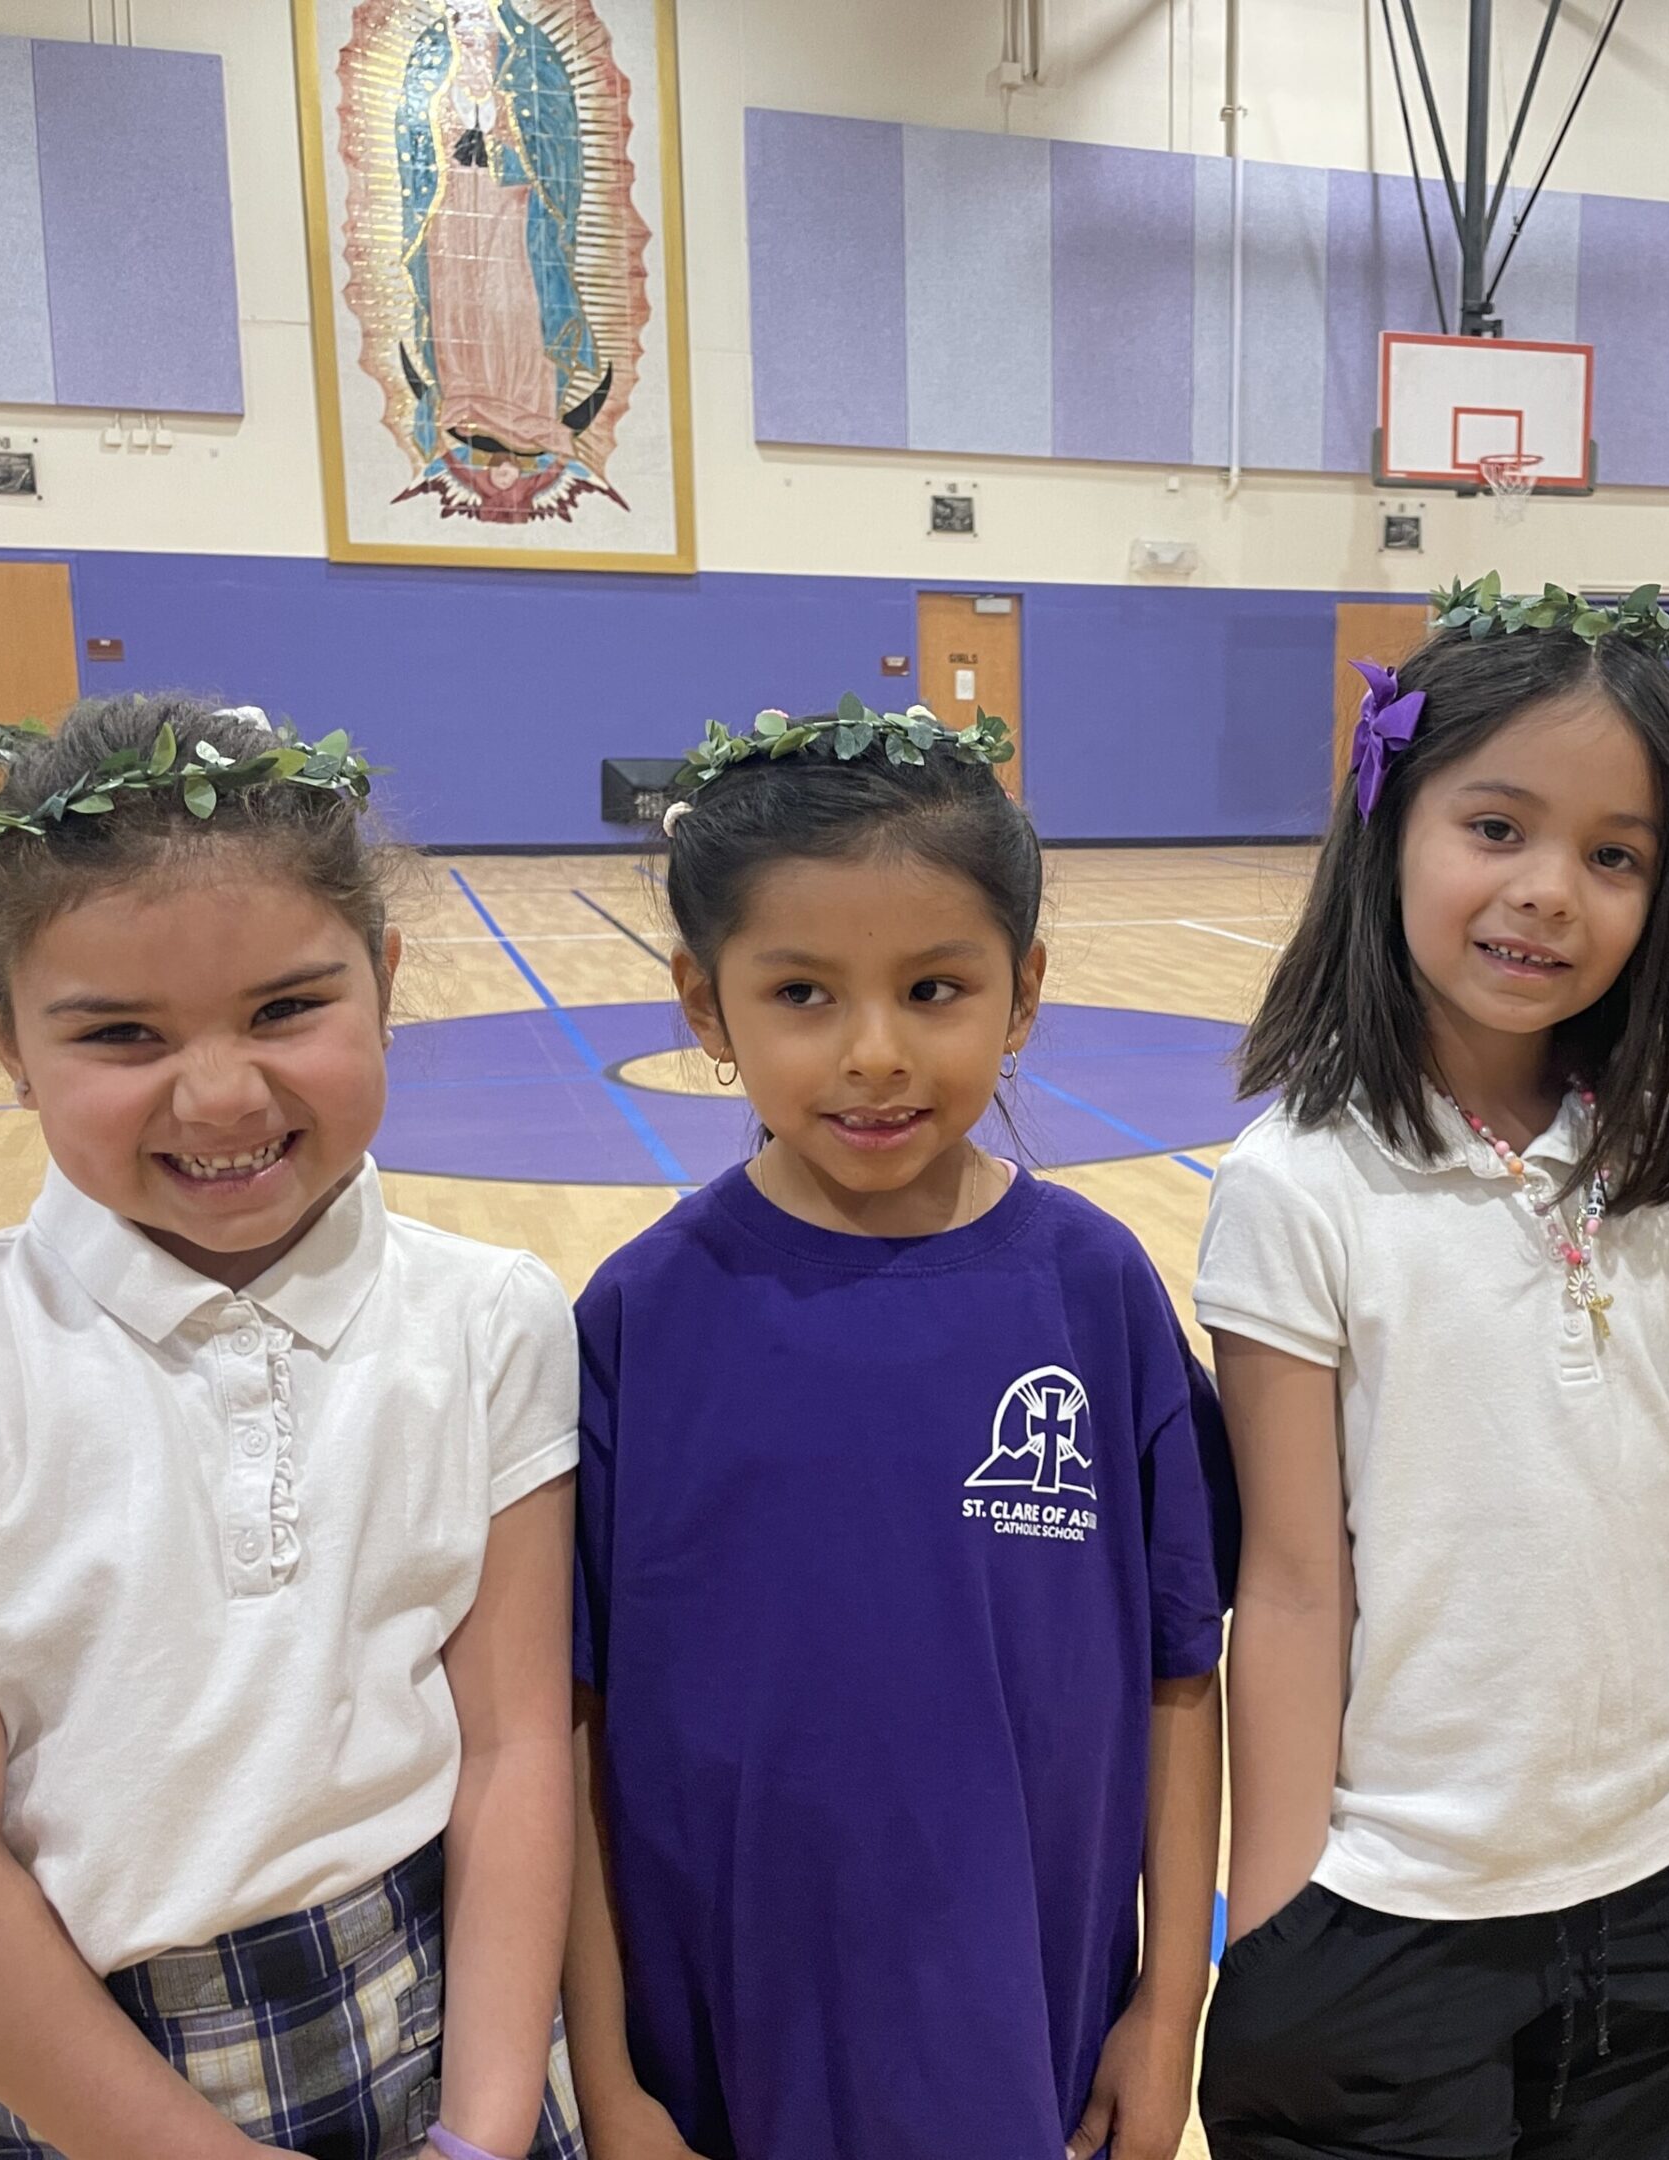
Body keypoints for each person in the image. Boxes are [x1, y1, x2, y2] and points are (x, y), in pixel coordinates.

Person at [0, 695, 583, 2160]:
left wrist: (482, 2131)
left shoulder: (493, 1321)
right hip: (82, 2075)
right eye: (119, 1033)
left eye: (288, 1008)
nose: (221, 1093)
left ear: (387, 980)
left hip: (447, 2028)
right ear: (5, 1038)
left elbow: (516, 1749)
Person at [1192, 580, 1669, 2160]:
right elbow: (1287, 1580)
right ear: (1389, 823)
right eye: (1498, 828)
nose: (1552, 892)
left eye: (1615, 855)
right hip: (1400, 1911)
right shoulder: (1297, 1185)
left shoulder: (1661, 1162)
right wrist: (1271, 1927)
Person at [562, 699, 1227, 2160]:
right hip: (723, 2043)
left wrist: (1166, 2007)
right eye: (803, 994)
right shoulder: (640, 1317)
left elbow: (1183, 1680)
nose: (874, 1053)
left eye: (935, 989)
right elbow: (573, 1730)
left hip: (1020, 2028)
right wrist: (608, 2081)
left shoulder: (1097, 1293)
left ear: (1024, 987)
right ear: (701, 1000)